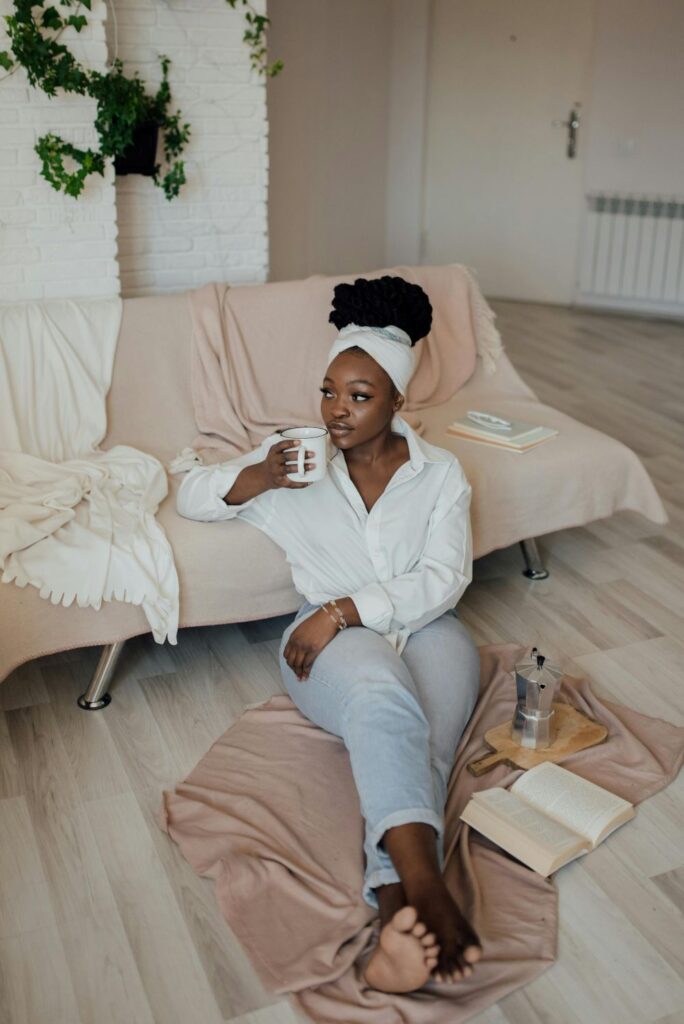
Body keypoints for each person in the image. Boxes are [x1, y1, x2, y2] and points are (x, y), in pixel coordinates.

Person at [176, 274, 483, 993]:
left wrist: (345, 606)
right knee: (382, 701)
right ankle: (430, 894)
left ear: (398, 402)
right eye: (327, 391)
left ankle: (394, 914)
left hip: (426, 629)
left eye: (358, 396)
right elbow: (190, 492)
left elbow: (445, 580)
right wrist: (257, 477)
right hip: (330, 652)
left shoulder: (442, 476)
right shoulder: (296, 463)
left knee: (430, 741)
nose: (335, 410)